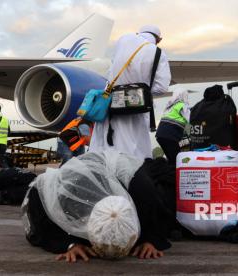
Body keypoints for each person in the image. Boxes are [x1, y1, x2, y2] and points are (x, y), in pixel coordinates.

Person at [22, 150, 176, 262]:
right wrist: (69, 244)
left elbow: (159, 214)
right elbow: (37, 223)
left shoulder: (142, 193)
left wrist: (150, 239)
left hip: (121, 167)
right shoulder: (60, 195)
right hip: (82, 173)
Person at [89, 25, 171, 159]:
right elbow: (162, 87)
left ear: (138, 33)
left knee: (104, 149)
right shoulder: (157, 52)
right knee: (133, 153)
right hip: (135, 110)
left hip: (110, 104)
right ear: (159, 39)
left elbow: (111, 71)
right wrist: (141, 93)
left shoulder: (124, 40)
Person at [155, 88, 190, 165]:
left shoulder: (169, 107)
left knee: (171, 159)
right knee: (177, 159)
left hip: (160, 136)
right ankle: (175, 175)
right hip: (170, 136)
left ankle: (168, 174)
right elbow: (191, 119)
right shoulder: (182, 105)